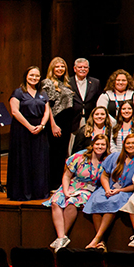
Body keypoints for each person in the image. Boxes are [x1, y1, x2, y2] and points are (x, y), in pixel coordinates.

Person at [46, 133, 109, 250]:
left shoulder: (107, 160)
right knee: (55, 201)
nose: (100, 147)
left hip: (89, 189)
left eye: (103, 145)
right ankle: (62, 237)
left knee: (72, 202)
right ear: (93, 144)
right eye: (97, 144)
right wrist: (65, 191)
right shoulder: (80, 156)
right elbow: (66, 176)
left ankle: (62, 236)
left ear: (106, 146)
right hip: (72, 185)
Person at [9, 66, 52, 200]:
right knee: (23, 159)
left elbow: (47, 111)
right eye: (31, 75)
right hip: (22, 130)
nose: (34, 78)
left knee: (39, 160)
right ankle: (23, 192)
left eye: (37, 76)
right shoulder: (18, 93)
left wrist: (42, 125)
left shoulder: (43, 93)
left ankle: (38, 191)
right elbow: (15, 111)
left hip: (39, 130)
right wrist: (29, 126)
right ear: (26, 76)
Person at [42, 56, 77, 188]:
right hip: (56, 121)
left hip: (66, 122)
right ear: (52, 68)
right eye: (57, 66)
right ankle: (52, 183)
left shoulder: (65, 83)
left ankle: (58, 182)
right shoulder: (48, 83)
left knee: (62, 153)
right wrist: (53, 124)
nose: (60, 69)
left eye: (62, 66)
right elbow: (48, 106)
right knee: (54, 153)